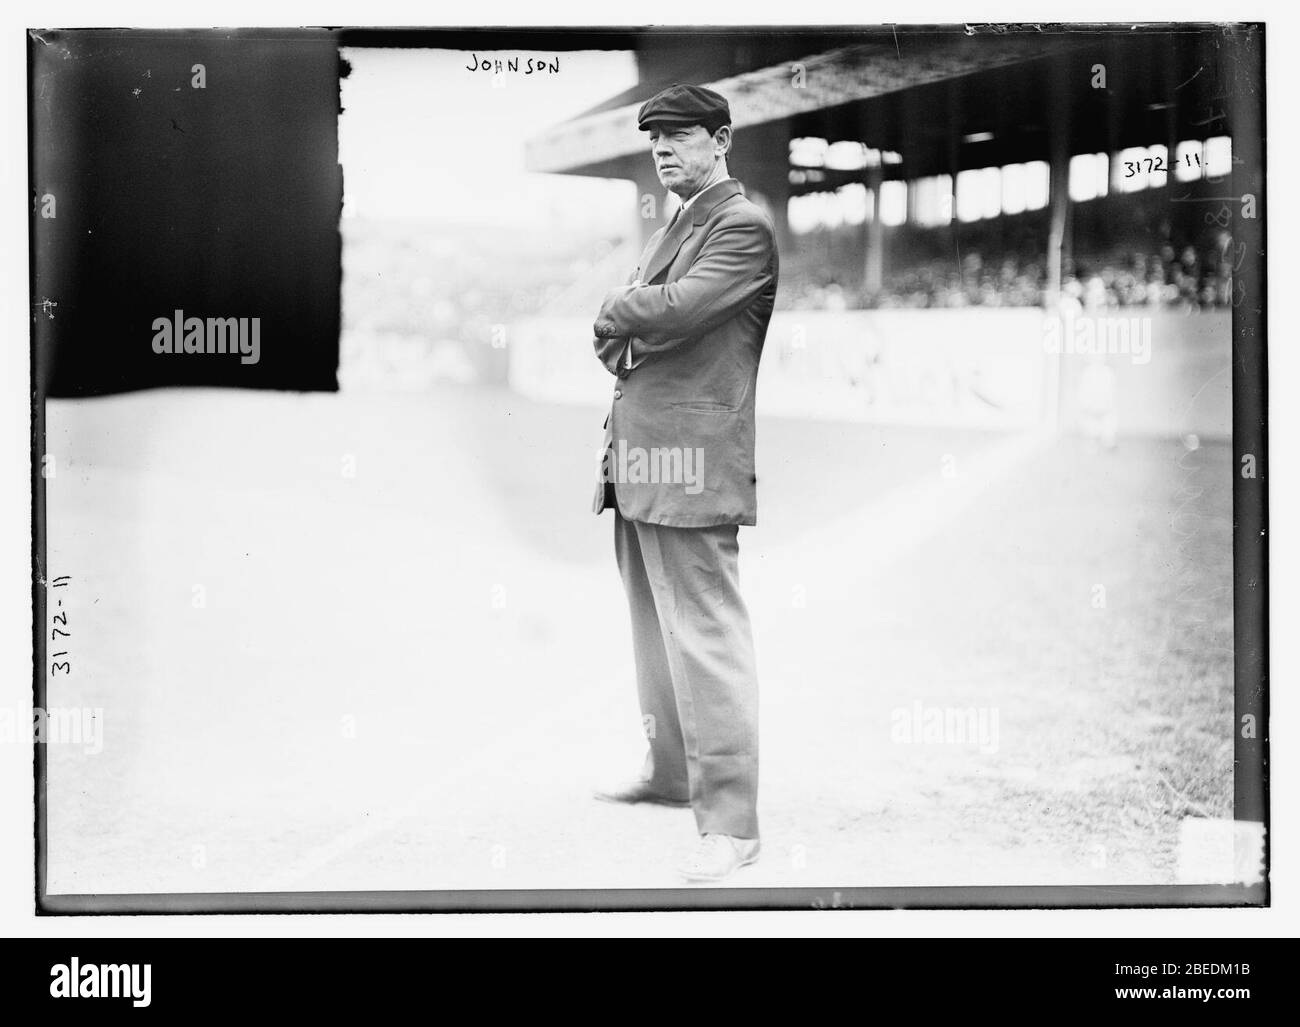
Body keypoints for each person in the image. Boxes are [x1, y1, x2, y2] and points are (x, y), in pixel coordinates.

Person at [589, 84, 779, 883]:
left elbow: (672, 313)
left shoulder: (741, 225)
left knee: (704, 636)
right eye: (655, 139)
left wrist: (618, 306)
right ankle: (671, 771)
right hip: (639, 461)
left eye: (681, 136)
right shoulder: (679, 221)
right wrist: (627, 318)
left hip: (692, 466)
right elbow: (624, 340)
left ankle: (733, 823)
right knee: (652, 631)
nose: (664, 149)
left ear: (722, 139)